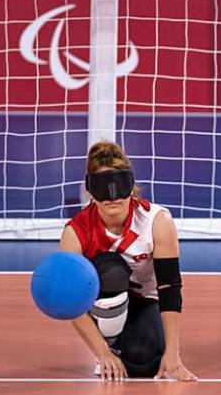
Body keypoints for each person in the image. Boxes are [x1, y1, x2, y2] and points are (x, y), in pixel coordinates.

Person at [60, 141, 197, 382]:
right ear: (90, 190)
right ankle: (111, 344)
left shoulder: (157, 221)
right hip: (100, 301)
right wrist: (103, 354)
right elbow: (71, 302)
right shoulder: (75, 232)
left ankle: (129, 345)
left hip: (145, 300)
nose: (111, 197)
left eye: (118, 185)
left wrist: (173, 353)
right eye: (102, 188)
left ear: (131, 185)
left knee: (144, 364)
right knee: (111, 270)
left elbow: (169, 287)